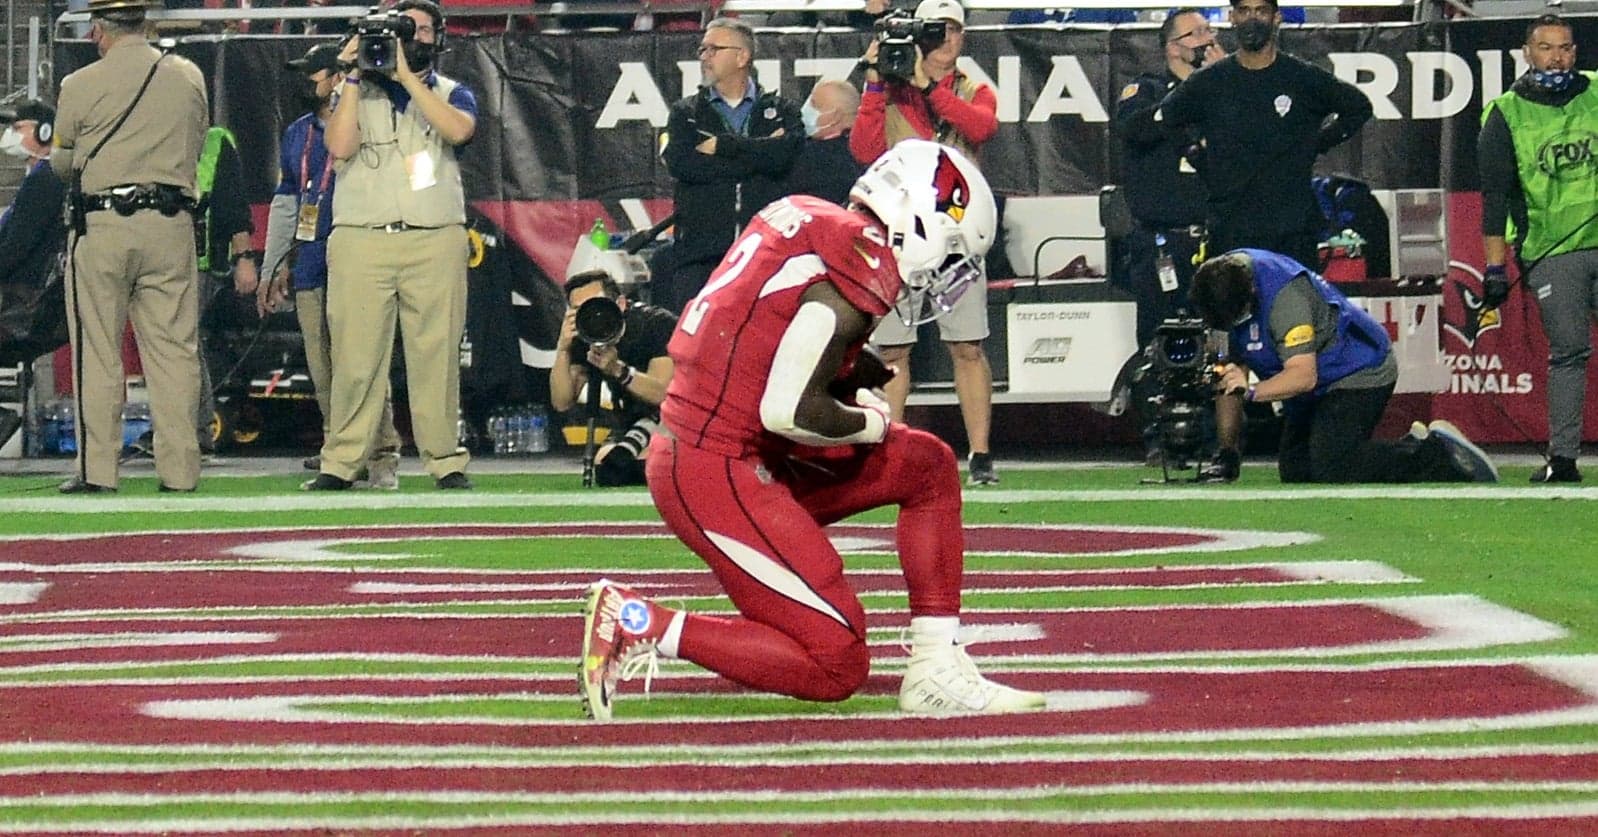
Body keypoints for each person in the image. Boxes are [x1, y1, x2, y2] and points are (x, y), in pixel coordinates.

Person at [579, 139, 1044, 721]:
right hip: (715, 468)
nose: (947, 271)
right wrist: (869, 424)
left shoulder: (813, 214)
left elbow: (764, 333)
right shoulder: (862, 262)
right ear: (919, 221)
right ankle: (636, 622)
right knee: (834, 664)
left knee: (926, 466)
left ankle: (936, 666)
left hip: (727, 448)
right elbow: (790, 411)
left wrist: (850, 365)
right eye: (952, 252)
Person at [304, 0, 475, 491]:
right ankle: (341, 463)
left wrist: (405, 75)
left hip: (433, 236)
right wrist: (353, 75)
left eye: (418, 30)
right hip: (363, 238)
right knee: (355, 359)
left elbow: (458, 130)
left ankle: (445, 460)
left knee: (436, 356)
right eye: (403, 30)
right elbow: (339, 146)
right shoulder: (352, 92)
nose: (409, 39)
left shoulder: (451, 91)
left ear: (437, 39)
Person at [53, 0, 209, 493]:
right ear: (145, 23)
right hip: (171, 224)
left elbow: (62, 163)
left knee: (98, 351)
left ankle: (97, 472)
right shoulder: (188, 76)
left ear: (98, 30)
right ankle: (181, 471)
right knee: (174, 352)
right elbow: (197, 141)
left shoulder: (78, 85)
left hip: (104, 226)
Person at [850, 0, 1001, 486]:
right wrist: (876, 82)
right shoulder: (891, 89)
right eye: (935, 30)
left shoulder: (974, 89)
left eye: (952, 29)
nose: (944, 38)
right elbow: (864, 151)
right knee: (891, 352)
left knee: (968, 345)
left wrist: (927, 87)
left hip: (956, 237)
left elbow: (980, 127)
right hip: (898, 234)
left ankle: (980, 454)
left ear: (963, 36)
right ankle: (886, 447)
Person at [1189, 248, 1498, 484]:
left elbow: (1303, 376)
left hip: (1358, 370)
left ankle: (1438, 455)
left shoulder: (1285, 299)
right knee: (1298, 472)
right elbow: (1229, 377)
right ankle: (1406, 446)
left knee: (1334, 466)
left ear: (1251, 297)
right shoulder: (1222, 290)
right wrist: (1227, 452)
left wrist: (1253, 391)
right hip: (1317, 382)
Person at [259, 42, 402, 489]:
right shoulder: (297, 133)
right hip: (309, 262)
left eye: (313, 74)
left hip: (355, 259)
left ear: (338, 77)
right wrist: (273, 265)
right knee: (323, 371)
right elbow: (288, 201)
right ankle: (340, 455)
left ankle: (381, 456)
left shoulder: (364, 124)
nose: (306, 83)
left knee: (361, 364)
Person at [1157, 0, 1372, 269]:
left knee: (1293, 310)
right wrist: (1198, 158)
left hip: (1292, 230)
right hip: (1231, 228)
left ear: (1276, 18)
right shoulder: (1211, 81)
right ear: (1232, 17)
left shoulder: (1302, 78)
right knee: (1234, 310)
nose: (1252, 18)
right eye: (1244, 10)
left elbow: (1359, 107)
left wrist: (1317, 143)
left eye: (1261, 11)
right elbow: (1169, 116)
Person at [1477, 14, 1598, 484]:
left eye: (1565, 48)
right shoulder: (1505, 113)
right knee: (1569, 352)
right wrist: (1493, 268)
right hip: (1551, 249)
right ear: (1527, 53)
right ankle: (1563, 459)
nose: (1557, 57)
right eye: (1546, 48)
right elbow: (1495, 197)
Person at [659, 17, 803, 315]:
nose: (704, 57)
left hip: (767, 257)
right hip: (700, 258)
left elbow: (785, 158)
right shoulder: (686, 113)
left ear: (742, 57)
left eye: (714, 49)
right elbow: (683, 165)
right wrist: (758, 156)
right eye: (702, 50)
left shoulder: (781, 110)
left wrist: (724, 147)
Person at [1113, 7, 1222, 349]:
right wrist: (1193, 90)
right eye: (1198, 33)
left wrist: (1225, 83)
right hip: (1164, 242)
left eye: (1210, 30)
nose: (1209, 39)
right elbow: (1135, 128)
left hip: (1218, 237)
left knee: (1222, 338)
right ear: (1173, 47)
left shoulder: (1225, 90)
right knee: (1159, 340)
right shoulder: (1146, 90)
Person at [549, 269, 676, 487]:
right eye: (579, 310)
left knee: (637, 461)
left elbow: (663, 395)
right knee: (605, 463)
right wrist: (563, 349)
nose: (592, 314)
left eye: (597, 305)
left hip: (673, 418)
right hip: (631, 421)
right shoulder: (584, 334)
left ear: (620, 304)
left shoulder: (655, 325)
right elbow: (561, 401)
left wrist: (618, 370)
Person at [0, 99, 64, 449]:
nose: (10, 135)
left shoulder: (46, 181)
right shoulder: (38, 179)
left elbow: (15, 248)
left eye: (17, 127)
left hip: (26, 303)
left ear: (44, 132)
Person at [783, 78, 863, 207]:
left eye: (814, 105)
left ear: (835, 116)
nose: (806, 110)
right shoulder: (861, 153)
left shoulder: (815, 159)